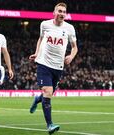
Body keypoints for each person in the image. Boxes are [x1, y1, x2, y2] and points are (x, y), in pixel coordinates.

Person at [29, 3, 78, 134]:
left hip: (58, 67)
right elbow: (40, 39)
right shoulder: (45, 24)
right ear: (54, 12)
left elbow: (75, 47)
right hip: (44, 64)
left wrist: (71, 56)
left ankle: (37, 99)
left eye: (64, 12)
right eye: (59, 11)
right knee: (48, 93)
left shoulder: (69, 28)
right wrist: (36, 52)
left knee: (48, 94)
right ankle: (50, 125)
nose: (62, 13)